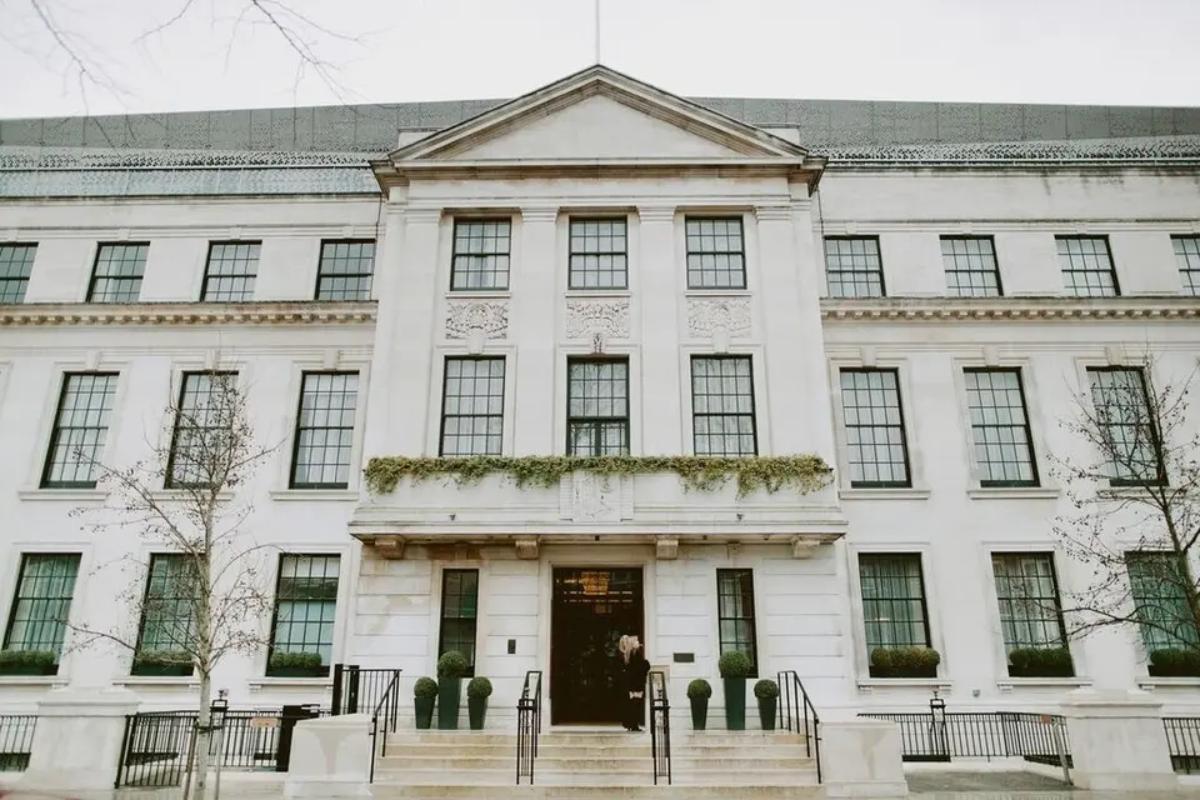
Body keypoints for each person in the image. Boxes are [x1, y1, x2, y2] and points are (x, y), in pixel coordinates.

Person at [617, 634, 650, 732]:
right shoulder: (634, 654)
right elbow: (644, 666)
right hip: (636, 683)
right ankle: (633, 725)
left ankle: (631, 724)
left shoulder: (625, 655)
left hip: (630, 684)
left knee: (632, 704)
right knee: (636, 704)